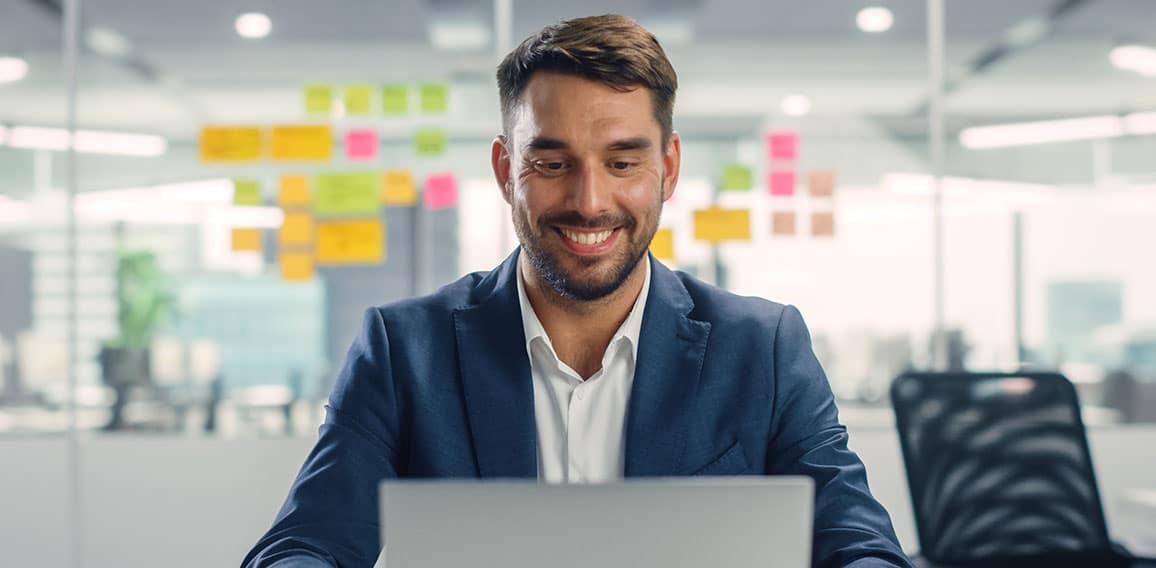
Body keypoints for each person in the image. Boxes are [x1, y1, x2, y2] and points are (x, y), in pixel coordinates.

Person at [243, 14, 912, 568]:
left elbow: (858, 544)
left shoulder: (762, 347)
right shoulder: (404, 349)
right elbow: (303, 545)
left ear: (668, 168)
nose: (590, 202)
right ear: (507, 170)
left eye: (622, 162)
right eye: (552, 163)